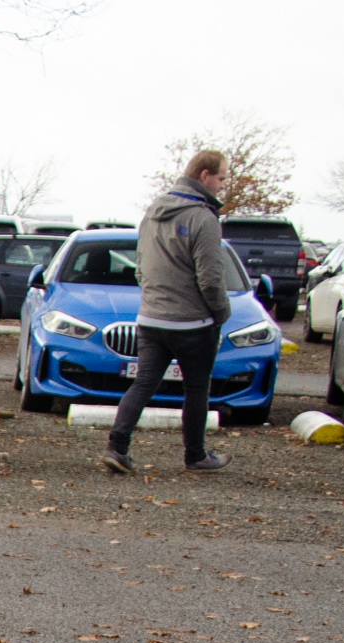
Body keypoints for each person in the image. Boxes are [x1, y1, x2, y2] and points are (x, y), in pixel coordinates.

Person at [105, 151, 234, 475]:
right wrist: (221, 312)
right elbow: (211, 277)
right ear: (204, 176)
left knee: (143, 383)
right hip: (192, 323)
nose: (222, 185)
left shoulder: (152, 213)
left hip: (150, 318)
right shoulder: (203, 219)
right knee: (196, 388)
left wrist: (151, 299)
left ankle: (116, 448)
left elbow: (140, 268)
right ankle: (195, 456)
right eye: (221, 178)